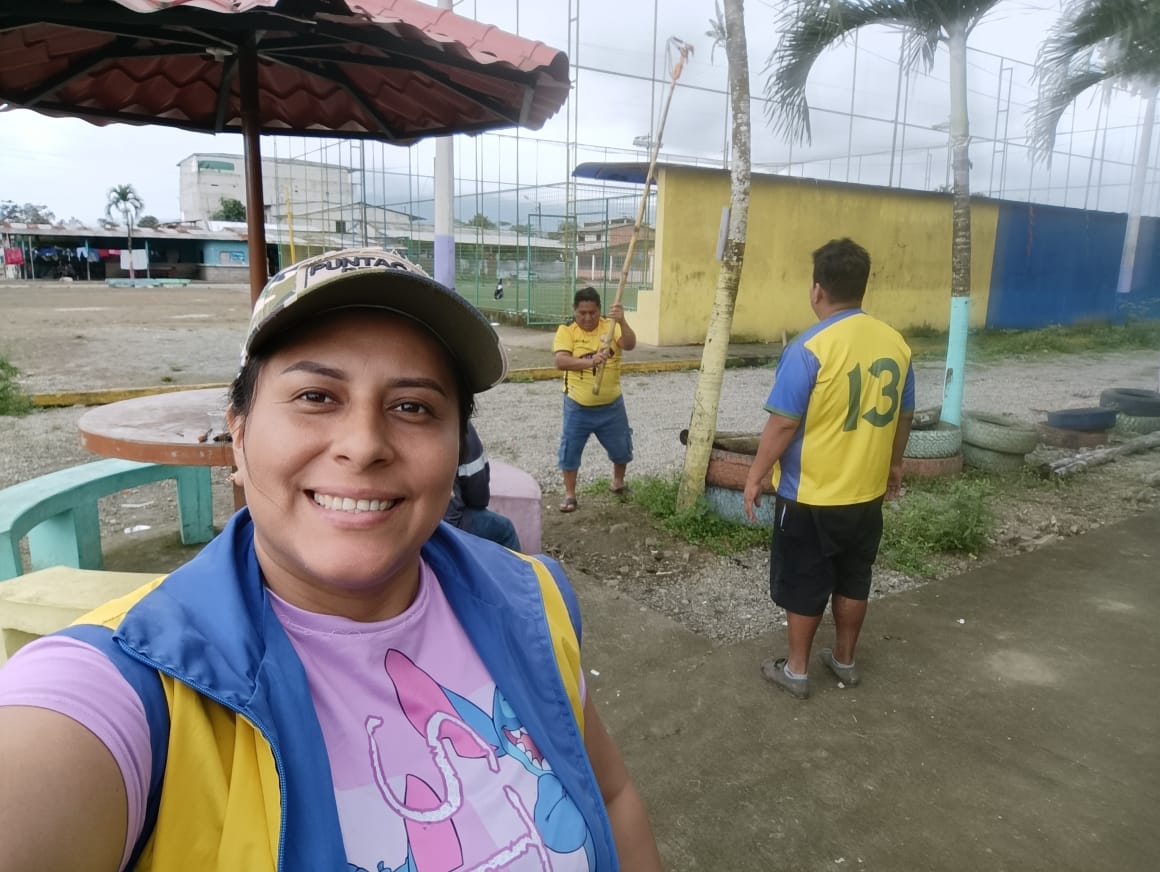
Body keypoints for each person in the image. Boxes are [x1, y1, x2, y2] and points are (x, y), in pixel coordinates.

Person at [0, 248, 663, 872]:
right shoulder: (136, 684)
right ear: (239, 433)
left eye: (413, 406)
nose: (364, 444)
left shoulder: (531, 600)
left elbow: (609, 796)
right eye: (316, 397)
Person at [743, 238, 914, 700]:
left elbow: (783, 424)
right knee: (855, 577)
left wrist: (756, 475)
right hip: (866, 494)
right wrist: (894, 465)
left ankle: (796, 670)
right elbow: (904, 416)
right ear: (862, 286)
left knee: (804, 580)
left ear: (817, 289)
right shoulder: (896, 344)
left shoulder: (809, 348)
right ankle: (844, 660)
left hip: (811, 496)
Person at [553, 287, 636, 513]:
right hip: (577, 406)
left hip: (612, 405)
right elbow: (561, 361)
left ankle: (618, 483)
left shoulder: (611, 326)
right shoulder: (566, 331)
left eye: (592, 312)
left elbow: (629, 344)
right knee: (570, 451)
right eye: (582, 313)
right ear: (575, 311)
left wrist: (623, 321)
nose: (588, 318)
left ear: (600, 310)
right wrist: (592, 362)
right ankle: (570, 495)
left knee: (622, 448)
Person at [443, 420, 522, 551]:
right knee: (506, 529)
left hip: (422, 524)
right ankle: (515, 566)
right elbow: (478, 496)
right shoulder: (460, 425)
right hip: (449, 526)